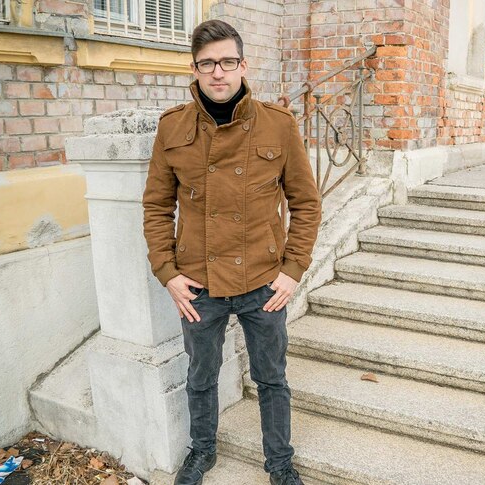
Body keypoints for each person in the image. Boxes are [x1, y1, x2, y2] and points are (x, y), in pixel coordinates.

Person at [142, 19, 321, 485]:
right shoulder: (173, 128)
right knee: (201, 377)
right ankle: (201, 453)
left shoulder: (278, 126)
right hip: (198, 282)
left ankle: (280, 464)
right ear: (195, 69)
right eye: (207, 64)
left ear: (242, 65)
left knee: (271, 379)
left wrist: (293, 269)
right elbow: (157, 206)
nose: (217, 72)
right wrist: (167, 272)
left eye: (226, 62)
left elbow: (305, 202)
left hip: (264, 281)